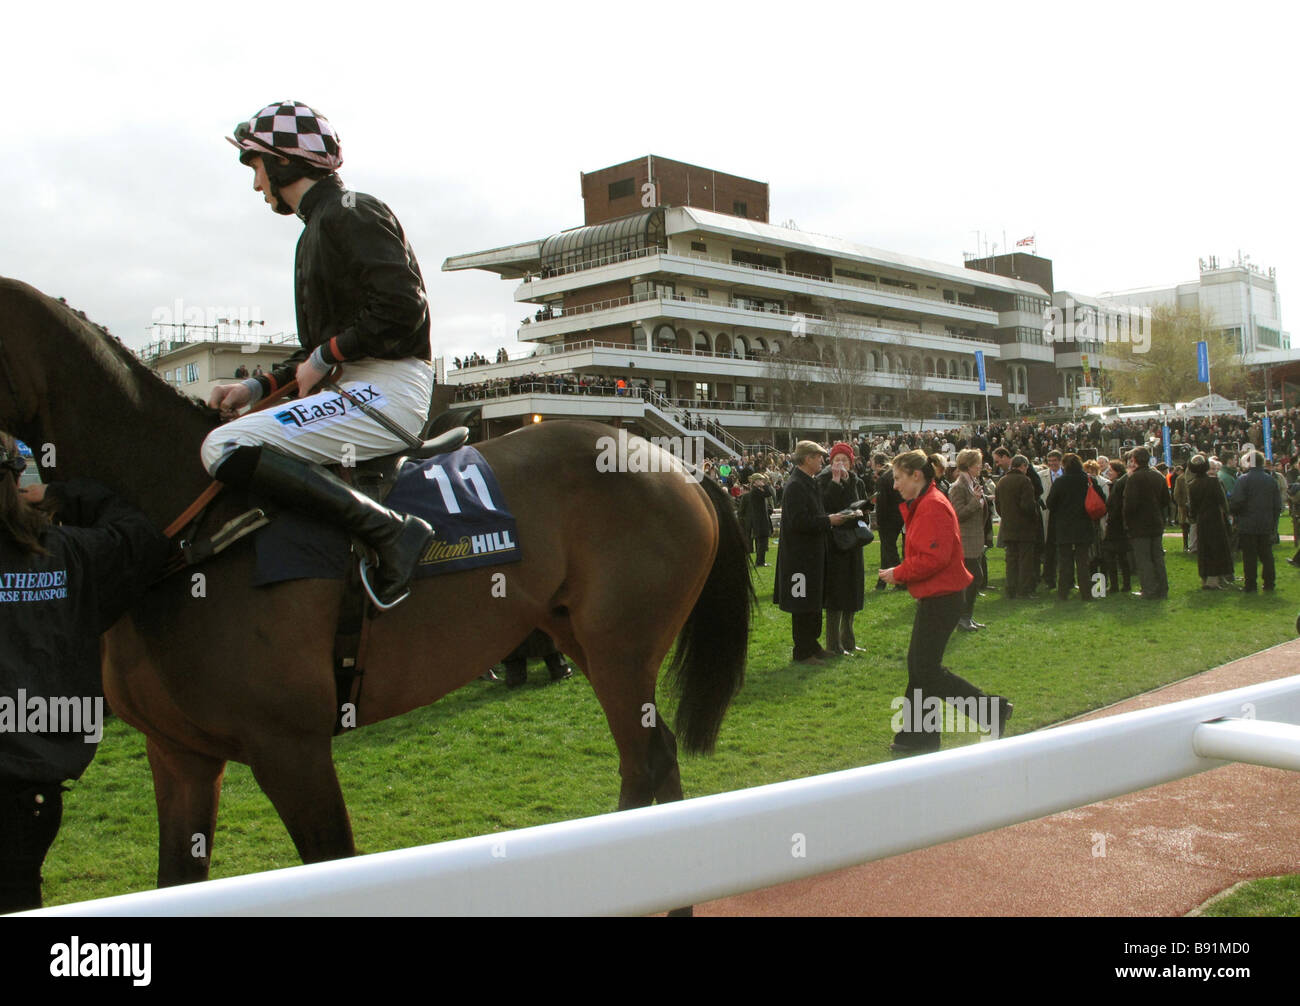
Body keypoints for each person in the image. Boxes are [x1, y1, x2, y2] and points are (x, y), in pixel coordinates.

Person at [204, 101, 435, 609]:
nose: (256, 184)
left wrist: (328, 354)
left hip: (390, 388)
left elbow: (402, 309)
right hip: (360, 384)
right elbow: (318, 352)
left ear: (283, 162)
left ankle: (394, 533)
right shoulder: (317, 228)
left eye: (256, 167)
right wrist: (257, 387)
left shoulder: (352, 211)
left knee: (222, 447)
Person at [0, 435, 171, 912]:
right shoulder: (68, 552)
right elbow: (141, 536)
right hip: (31, 789)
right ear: (18, 481)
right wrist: (67, 494)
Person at [878, 450, 1011, 754]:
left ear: (916, 475)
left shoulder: (933, 505)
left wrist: (898, 573)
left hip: (944, 598)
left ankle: (992, 711)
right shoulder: (927, 503)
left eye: (898, 478)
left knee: (925, 669)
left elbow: (933, 558)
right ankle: (916, 736)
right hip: (938, 597)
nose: (895, 485)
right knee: (920, 668)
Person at [774, 441, 849, 664]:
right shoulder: (796, 485)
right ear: (807, 459)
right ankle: (802, 651)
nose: (822, 461)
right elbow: (798, 522)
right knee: (802, 604)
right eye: (818, 457)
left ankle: (813, 645)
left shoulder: (809, 482)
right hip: (799, 559)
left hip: (812, 556)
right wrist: (829, 520)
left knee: (814, 601)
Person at [818, 443, 866, 656]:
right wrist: (836, 483)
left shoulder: (857, 481)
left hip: (853, 542)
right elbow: (825, 506)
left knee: (852, 593)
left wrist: (847, 484)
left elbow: (861, 506)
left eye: (844, 460)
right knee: (836, 595)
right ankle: (833, 643)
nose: (840, 464)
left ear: (850, 462)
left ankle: (849, 641)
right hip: (834, 543)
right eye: (836, 460)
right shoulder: (822, 481)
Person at [1046, 453, 1100, 602]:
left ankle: (1063, 593)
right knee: (1083, 562)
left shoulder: (1060, 482)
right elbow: (1101, 499)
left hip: (1064, 526)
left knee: (1065, 562)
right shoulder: (1089, 480)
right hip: (1084, 525)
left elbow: (1050, 503)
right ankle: (1086, 593)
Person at [1230, 453, 1282, 593]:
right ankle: (1269, 583)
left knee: (1249, 556)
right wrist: (1273, 523)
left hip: (1247, 523)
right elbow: (1277, 505)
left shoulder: (1243, 479)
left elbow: (1237, 501)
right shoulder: (1271, 480)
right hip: (1266, 523)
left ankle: (1251, 585)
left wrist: (1236, 515)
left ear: (1249, 463)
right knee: (1267, 555)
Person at [948, 448, 988, 630]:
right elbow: (957, 513)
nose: (980, 466)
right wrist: (975, 502)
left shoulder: (974, 484)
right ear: (968, 465)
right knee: (974, 577)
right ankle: (962, 617)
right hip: (965, 541)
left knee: (973, 579)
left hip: (975, 540)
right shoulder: (958, 487)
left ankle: (967, 617)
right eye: (977, 463)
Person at [1123, 447, 1170, 599]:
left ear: (1135, 460)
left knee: (1144, 559)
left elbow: (1130, 504)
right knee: (1157, 557)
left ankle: (1148, 590)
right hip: (1156, 522)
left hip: (1139, 524)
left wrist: (1128, 522)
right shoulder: (1158, 476)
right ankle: (1162, 588)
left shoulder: (1134, 478)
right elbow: (1165, 501)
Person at [994, 455, 1039, 599]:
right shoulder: (1025, 481)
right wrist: (1034, 517)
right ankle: (1024, 590)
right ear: (1024, 466)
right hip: (1024, 527)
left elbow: (998, 505)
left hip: (1008, 526)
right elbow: (1028, 506)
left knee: (1011, 560)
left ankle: (1010, 590)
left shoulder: (1002, 481)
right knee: (1025, 560)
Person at [1187, 454, 1234, 590]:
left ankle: (1205, 578)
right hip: (1215, 518)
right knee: (1217, 548)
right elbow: (1223, 501)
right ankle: (1215, 579)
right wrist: (1228, 513)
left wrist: (1194, 517)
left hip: (1201, 520)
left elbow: (1193, 507)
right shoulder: (1214, 482)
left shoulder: (1192, 485)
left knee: (1204, 549)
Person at [872, 452, 905, 591]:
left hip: (888, 519)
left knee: (889, 550)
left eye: (873, 463)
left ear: (878, 464)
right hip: (900, 516)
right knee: (886, 550)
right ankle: (882, 582)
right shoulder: (895, 474)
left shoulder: (883, 479)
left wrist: (878, 521)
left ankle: (901, 581)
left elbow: (881, 504)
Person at [1101, 459, 1132, 595]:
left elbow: (1113, 506)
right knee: (1122, 558)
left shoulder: (1118, 486)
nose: (1108, 473)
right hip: (1119, 527)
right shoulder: (1118, 484)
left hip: (1115, 526)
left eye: (1111, 470)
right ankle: (1125, 584)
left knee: (1112, 557)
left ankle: (1115, 585)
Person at [738, 473, 774, 566]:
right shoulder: (755, 491)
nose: (762, 481)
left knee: (762, 542)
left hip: (761, 520)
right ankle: (760, 562)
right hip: (760, 521)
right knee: (762, 542)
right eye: (760, 480)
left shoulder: (756, 491)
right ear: (755, 482)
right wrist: (764, 485)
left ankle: (760, 561)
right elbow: (768, 493)